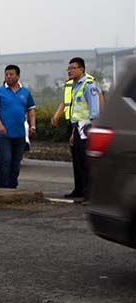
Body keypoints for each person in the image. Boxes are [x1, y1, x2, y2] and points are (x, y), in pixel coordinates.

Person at [50, 57, 101, 201]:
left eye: (73, 68)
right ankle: (80, 190)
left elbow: (95, 109)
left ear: (81, 69)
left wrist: (93, 129)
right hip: (76, 127)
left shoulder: (89, 85)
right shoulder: (73, 86)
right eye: (69, 68)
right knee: (78, 160)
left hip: (86, 128)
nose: (69, 71)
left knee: (86, 161)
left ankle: (90, 193)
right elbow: (70, 107)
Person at [0, 65, 36, 189]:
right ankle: (2, 186)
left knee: (16, 162)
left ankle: (12, 185)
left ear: (18, 76)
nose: (9, 77)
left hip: (19, 133)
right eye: (7, 74)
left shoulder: (25, 92)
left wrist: (33, 126)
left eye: (11, 74)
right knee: (5, 160)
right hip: (3, 134)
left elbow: (31, 110)